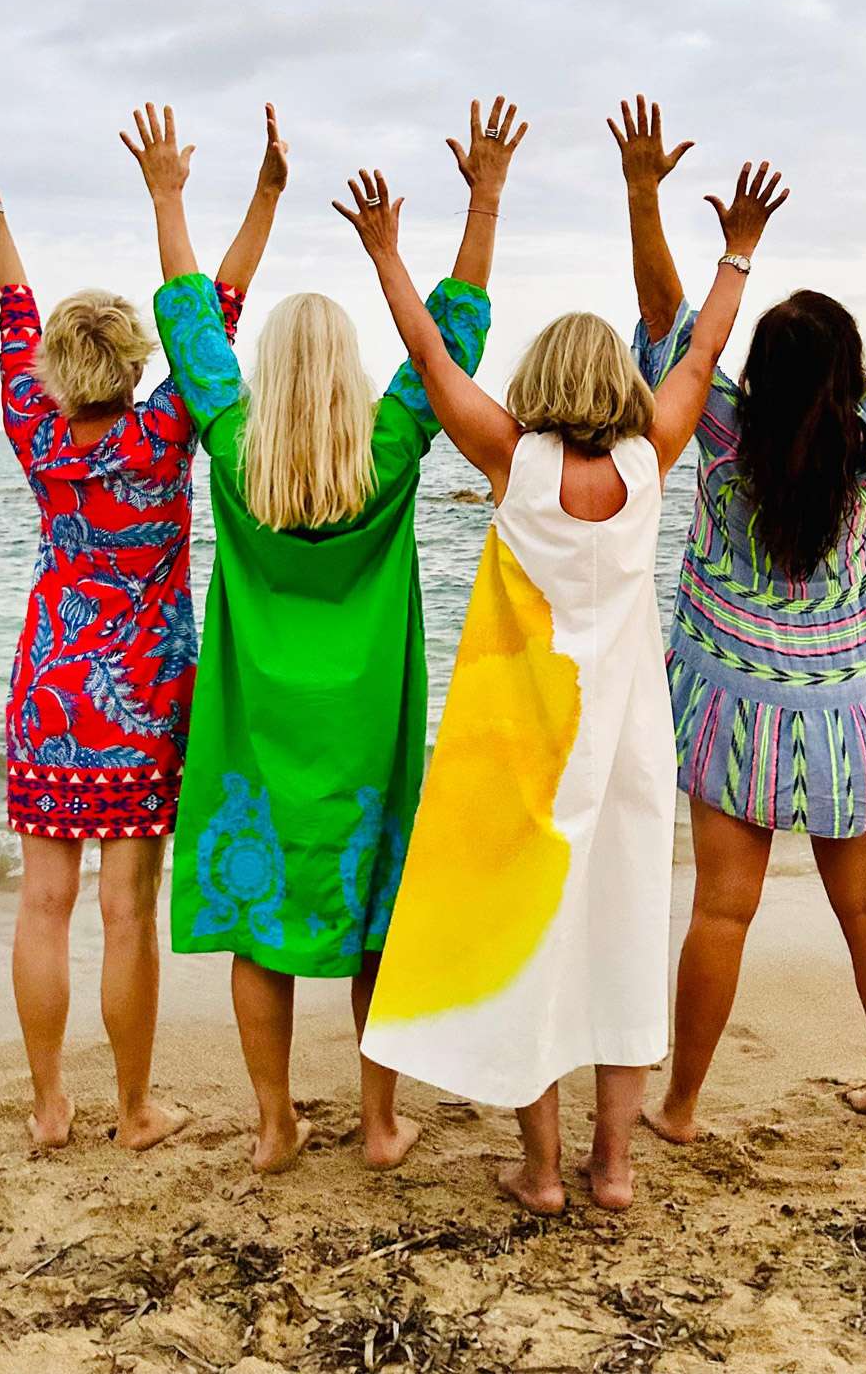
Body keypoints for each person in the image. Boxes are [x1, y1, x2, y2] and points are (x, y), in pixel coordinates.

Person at [352, 146, 790, 1214]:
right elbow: (702, 348)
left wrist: (386, 255)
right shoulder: (652, 456)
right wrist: (737, 249)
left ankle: (542, 1172)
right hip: (629, 747)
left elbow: (427, 357)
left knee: (534, 945)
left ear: (542, 381)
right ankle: (615, 1168)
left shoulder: (512, 459)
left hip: (527, 750)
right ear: (619, 385)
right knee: (623, 939)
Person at [122, 97, 523, 1173]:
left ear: (270, 368)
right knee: (372, 918)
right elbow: (452, 336)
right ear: (345, 369)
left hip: (258, 729)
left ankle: (273, 1126)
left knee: (263, 929)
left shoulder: (234, 441)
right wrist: (482, 202)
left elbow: (188, 322)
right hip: (363, 731)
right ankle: (379, 1124)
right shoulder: (388, 447)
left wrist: (168, 196)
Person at [614, 98, 866, 1139]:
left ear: (756, 370)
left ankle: (681, 1106)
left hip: (731, 706)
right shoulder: (865, 440)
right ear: (844, 376)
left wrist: (644, 194)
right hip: (846, 705)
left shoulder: (719, 429)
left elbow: (668, 329)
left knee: (721, 909)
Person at [0, 106, 270, 1149]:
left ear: (53, 369)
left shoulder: (33, 427)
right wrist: (259, 194)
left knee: (43, 902)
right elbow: (214, 312)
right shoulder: (164, 428)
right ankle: (132, 1110)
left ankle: (49, 1107)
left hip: (48, 684)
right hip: (141, 697)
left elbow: (9, 302)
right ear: (134, 365)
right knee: (128, 908)